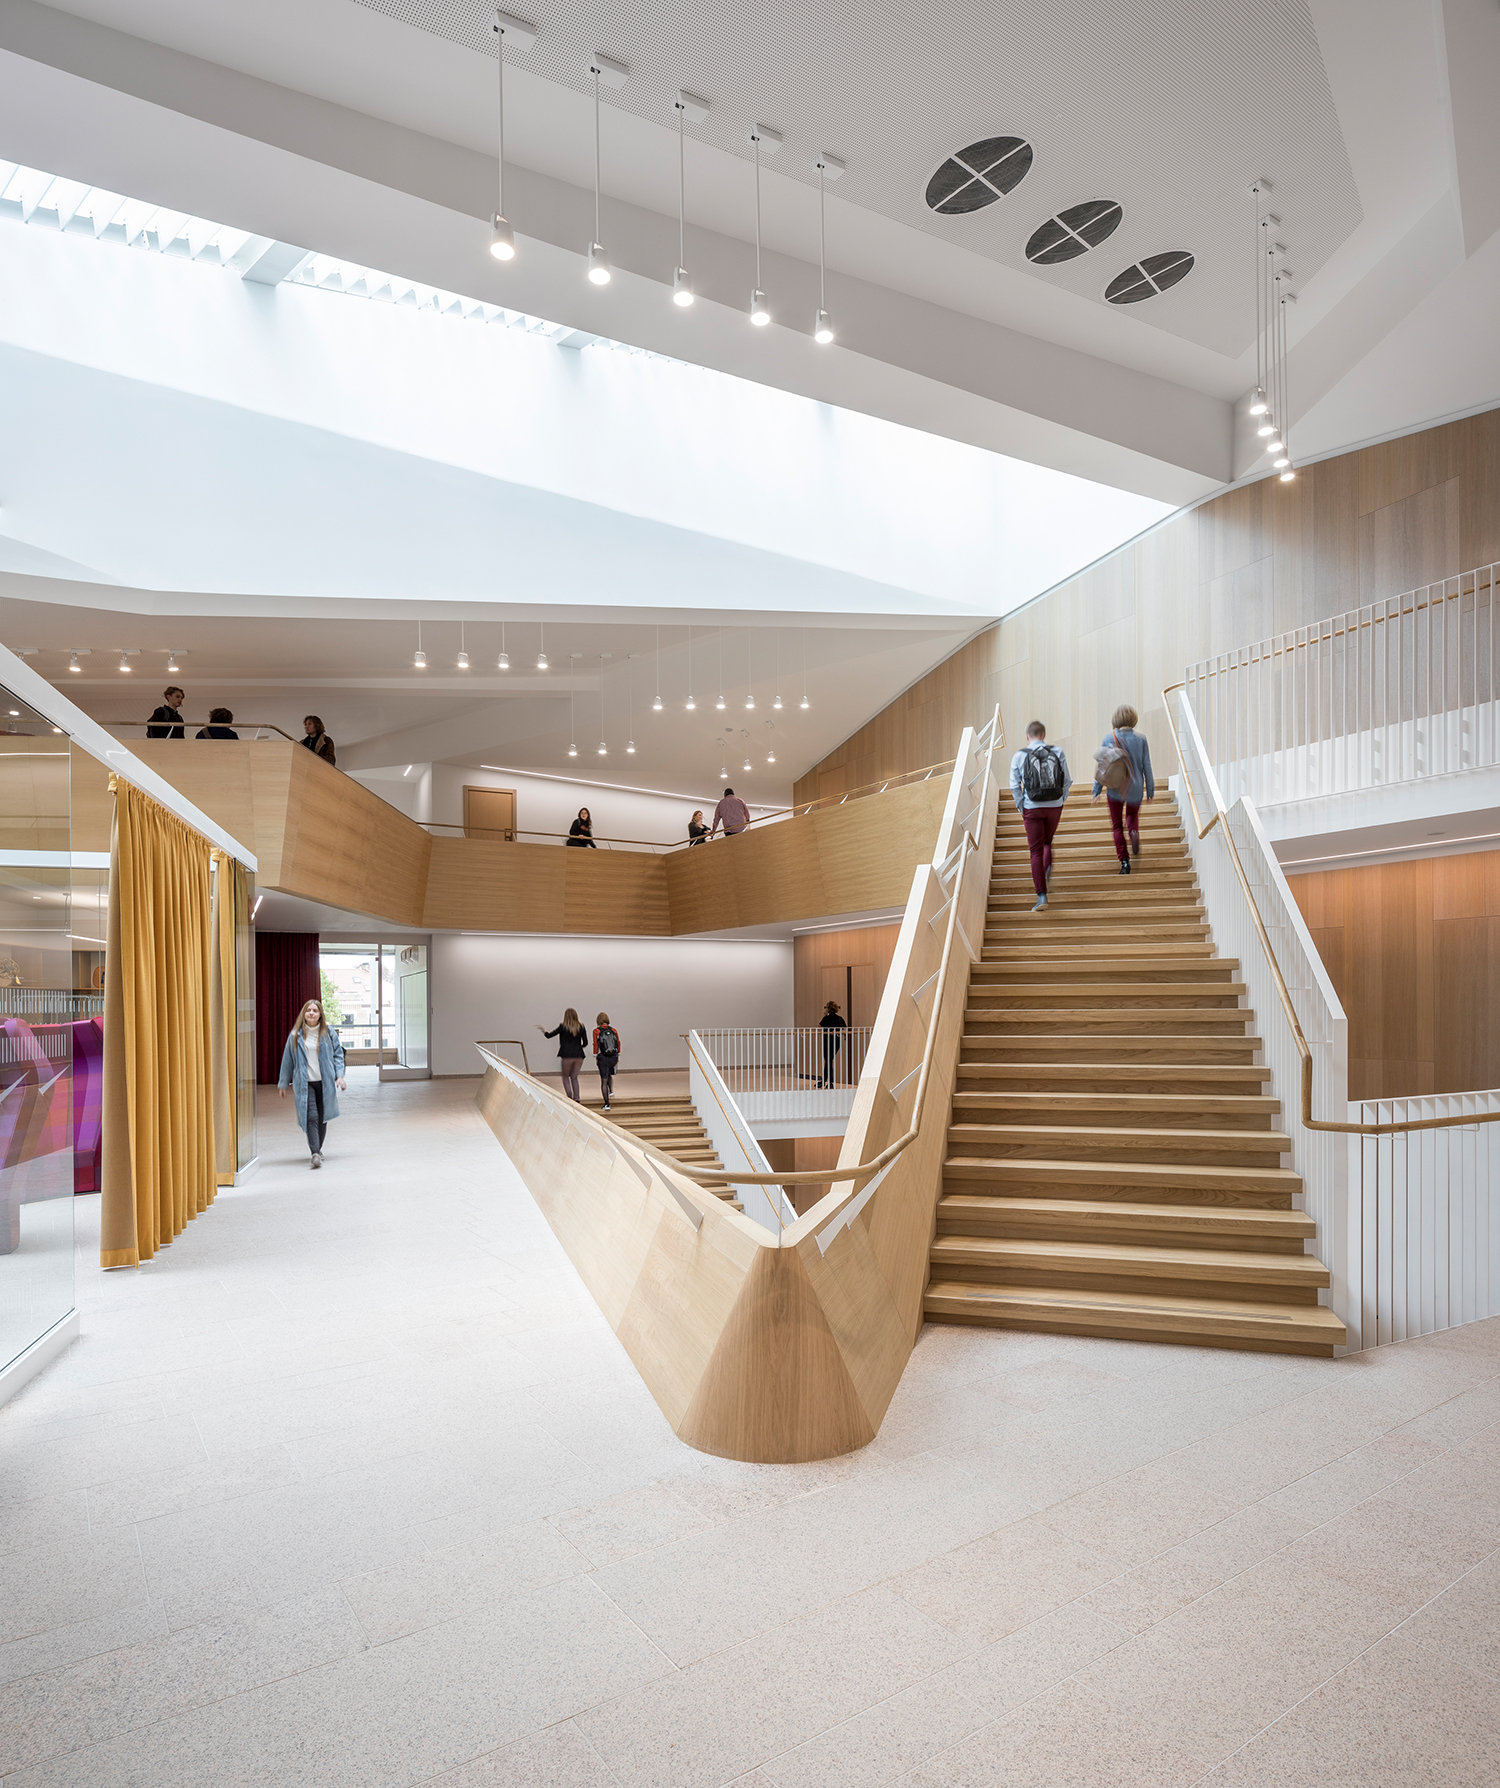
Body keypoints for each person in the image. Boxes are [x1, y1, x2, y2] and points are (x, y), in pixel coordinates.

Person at [277, 996, 347, 1168]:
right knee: (312, 1116)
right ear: (304, 1014)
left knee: (323, 1117)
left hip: (325, 1083)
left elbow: (338, 1055)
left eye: (315, 1010)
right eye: (308, 1010)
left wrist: (340, 1075)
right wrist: (283, 1083)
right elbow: (287, 1061)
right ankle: (315, 1153)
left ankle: (318, 1149)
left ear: (320, 1014)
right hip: (305, 1083)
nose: (311, 1013)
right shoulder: (295, 1035)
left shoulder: (328, 1033)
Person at [1009, 720, 1070, 912]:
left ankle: (1042, 896)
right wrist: (1060, 800)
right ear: (1043, 735)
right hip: (1055, 806)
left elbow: (1014, 785)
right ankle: (1047, 866)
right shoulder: (1058, 751)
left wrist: (1022, 807)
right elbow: (1067, 780)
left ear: (1027, 736)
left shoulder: (1019, 755)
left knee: (1035, 851)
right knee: (1047, 842)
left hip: (1032, 807)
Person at [1091, 704, 1155, 873]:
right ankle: (1133, 832)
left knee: (1117, 826)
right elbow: (1147, 766)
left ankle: (1124, 861)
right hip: (1136, 788)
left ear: (1116, 719)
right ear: (1133, 719)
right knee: (1132, 816)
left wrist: (1096, 791)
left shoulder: (1108, 738)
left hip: (1115, 788)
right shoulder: (1141, 739)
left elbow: (1102, 768)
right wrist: (1150, 790)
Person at [538, 1008, 588, 1101]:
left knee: (565, 1076)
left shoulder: (563, 1026)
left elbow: (549, 1035)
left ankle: (569, 1097)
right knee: (574, 1077)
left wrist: (543, 1030)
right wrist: (579, 1047)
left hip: (566, 1055)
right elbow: (585, 1042)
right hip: (579, 1055)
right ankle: (577, 1098)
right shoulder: (581, 1027)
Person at [592, 1011, 621, 1111]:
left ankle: (607, 1104)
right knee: (609, 1074)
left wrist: (595, 1056)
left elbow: (595, 1044)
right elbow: (618, 1042)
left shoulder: (596, 1031)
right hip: (613, 1056)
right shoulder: (613, 1030)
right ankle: (611, 1091)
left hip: (603, 1057)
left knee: (603, 1080)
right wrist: (618, 1055)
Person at [818, 1000, 848, 1087]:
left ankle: (828, 1082)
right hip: (836, 1042)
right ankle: (825, 1081)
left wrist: (825, 1015)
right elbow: (845, 1029)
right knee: (829, 1061)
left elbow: (819, 1025)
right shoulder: (839, 1019)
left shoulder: (826, 1018)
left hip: (827, 1042)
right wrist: (838, 1032)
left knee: (828, 1061)